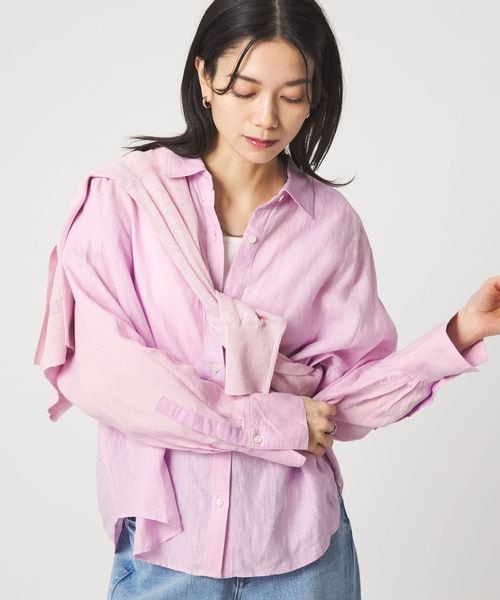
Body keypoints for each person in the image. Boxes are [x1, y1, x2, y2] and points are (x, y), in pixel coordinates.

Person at [33, 1, 497, 598]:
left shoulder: (330, 225)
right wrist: (273, 419)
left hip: (305, 553)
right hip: (167, 556)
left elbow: (339, 409)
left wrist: (459, 333)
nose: (266, 117)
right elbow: (109, 377)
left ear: (314, 98)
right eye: (244, 89)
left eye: (292, 95)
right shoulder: (124, 200)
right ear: (205, 78)